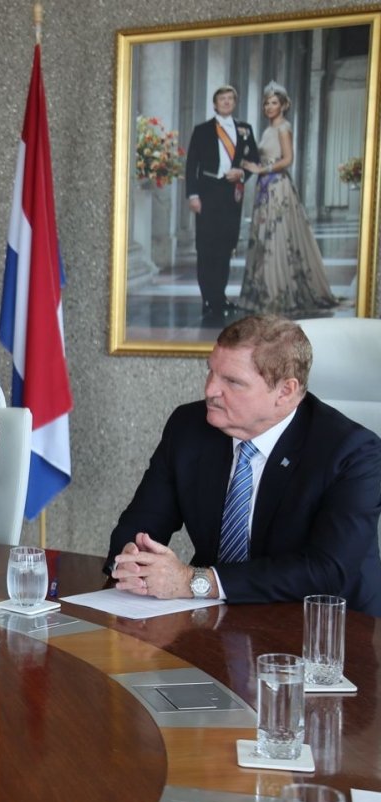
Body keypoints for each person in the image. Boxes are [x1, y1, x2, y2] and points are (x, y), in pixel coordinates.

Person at [107, 314, 381, 616]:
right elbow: (143, 520)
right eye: (211, 372)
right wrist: (133, 559)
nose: (210, 390)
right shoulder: (188, 426)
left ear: (285, 391)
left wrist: (195, 581)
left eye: (232, 382)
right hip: (216, 618)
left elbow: (326, 570)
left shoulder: (351, 452)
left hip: (324, 624)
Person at [238, 82, 338, 317]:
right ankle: (264, 291)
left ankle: (278, 292)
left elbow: (287, 159)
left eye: (274, 103)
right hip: (264, 188)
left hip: (278, 187)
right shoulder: (267, 130)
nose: (269, 107)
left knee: (277, 237)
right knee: (264, 237)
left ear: (283, 105)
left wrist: (262, 169)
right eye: (266, 103)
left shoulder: (284, 127)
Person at [185, 85, 259, 325]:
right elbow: (191, 165)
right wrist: (193, 195)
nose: (226, 102)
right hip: (207, 192)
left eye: (230, 99)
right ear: (215, 104)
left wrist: (242, 173)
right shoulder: (202, 130)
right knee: (206, 247)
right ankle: (208, 298)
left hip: (231, 193)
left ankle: (220, 296)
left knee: (226, 246)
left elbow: (254, 159)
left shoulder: (245, 129)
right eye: (222, 99)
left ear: (234, 103)